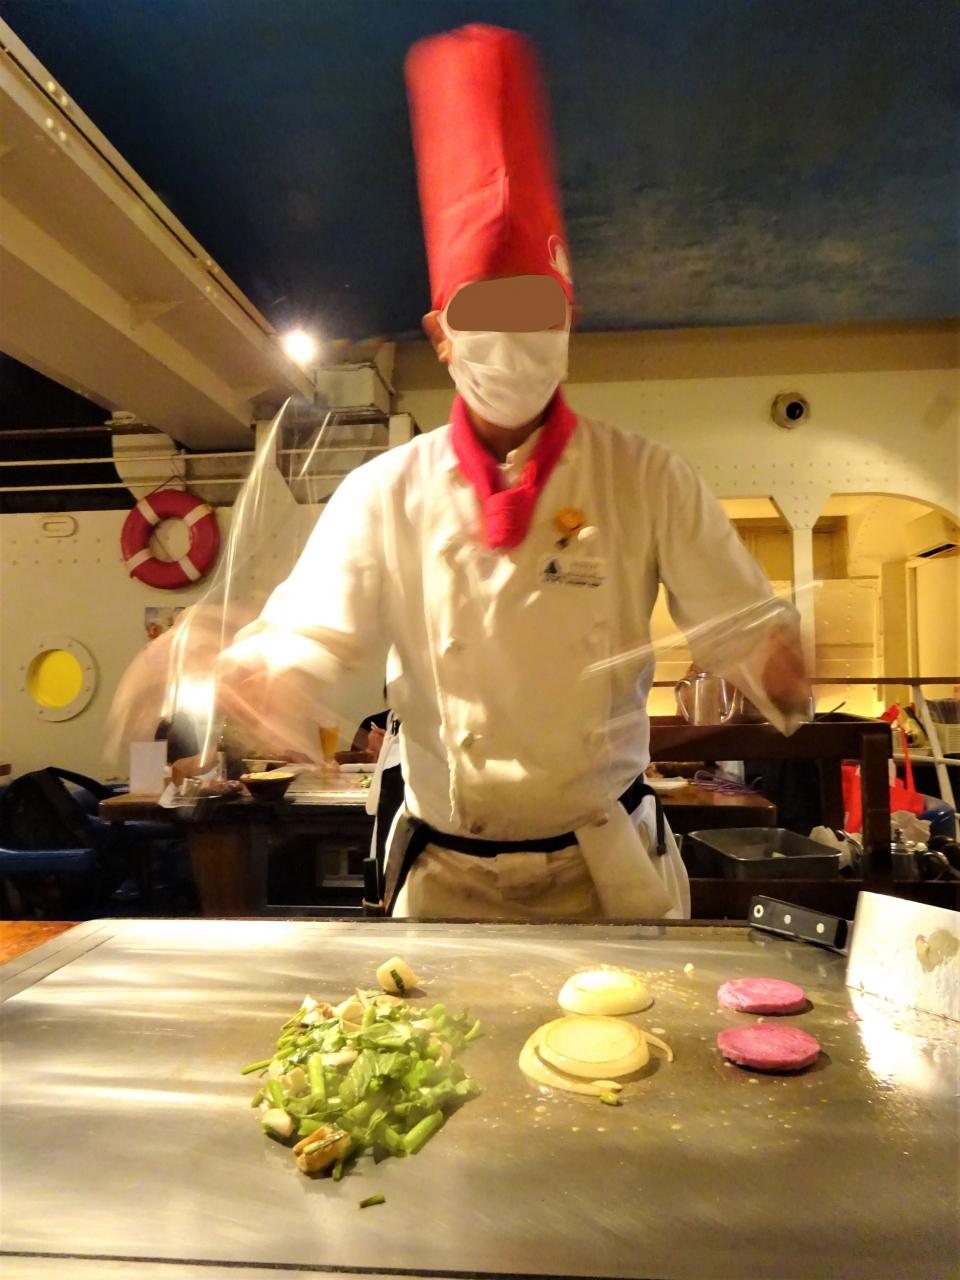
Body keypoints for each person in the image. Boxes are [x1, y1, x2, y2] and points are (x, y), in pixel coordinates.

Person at [215, 25, 810, 921]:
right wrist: (255, 677)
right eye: (485, 314)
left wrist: (779, 664)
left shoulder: (646, 478)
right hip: (446, 883)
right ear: (440, 334)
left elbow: (743, 629)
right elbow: (310, 637)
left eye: (536, 309)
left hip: (608, 876)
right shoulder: (384, 493)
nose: (516, 338)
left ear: (569, 318)